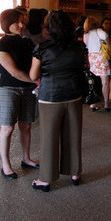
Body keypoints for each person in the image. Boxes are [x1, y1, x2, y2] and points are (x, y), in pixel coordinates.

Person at [29, 11, 86, 192]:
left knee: (49, 138)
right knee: (73, 135)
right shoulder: (79, 46)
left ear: (49, 28)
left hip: (50, 97)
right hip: (74, 94)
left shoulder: (42, 48)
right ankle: (75, 173)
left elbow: (33, 75)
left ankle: (45, 179)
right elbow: (83, 67)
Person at [0, 8, 39, 179]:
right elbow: (14, 72)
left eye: (22, 21)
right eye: (17, 21)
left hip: (28, 89)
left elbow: (37, 64)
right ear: (6, 24)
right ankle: (5, 165)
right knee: (7, 128)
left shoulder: (28, 42)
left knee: (26, 125)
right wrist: (36, 81)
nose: (21, 25)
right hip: (9, 88)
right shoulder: (0, 45)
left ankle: (26, 158)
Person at [83, 15, 111, 111]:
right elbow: (108, 44)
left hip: (92, 58)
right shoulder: (100, 32)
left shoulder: (85, 35)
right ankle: (106, 104)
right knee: (105, 82)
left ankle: (93, 103)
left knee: (93, 82)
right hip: (101, 57)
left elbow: (86, 46)